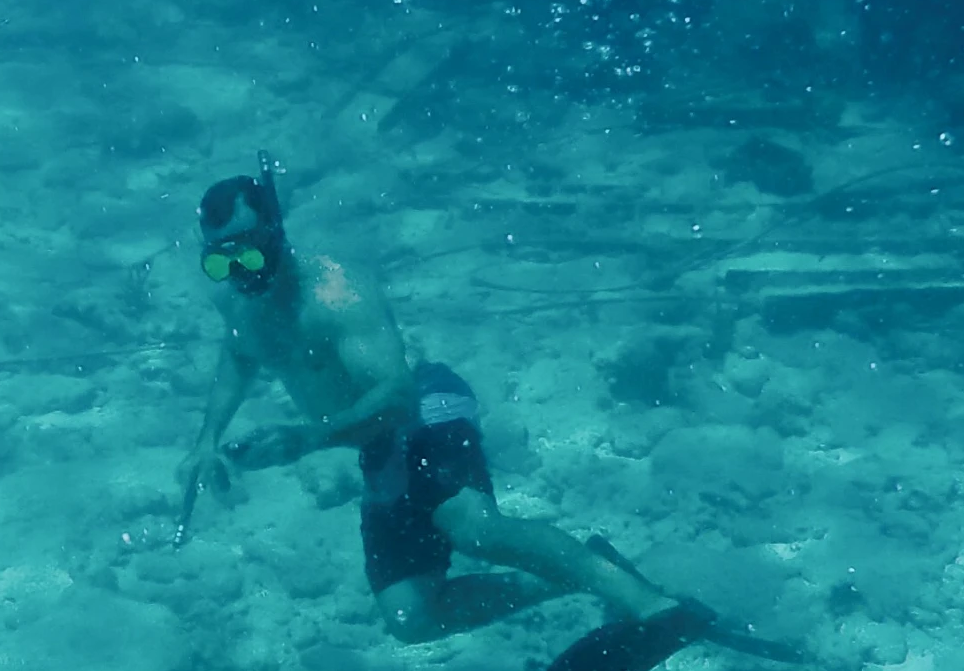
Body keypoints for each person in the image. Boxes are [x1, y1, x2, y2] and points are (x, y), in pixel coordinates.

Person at [176, 156, 680, 643]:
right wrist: (206, 440)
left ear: (277, 230)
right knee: (411, 618)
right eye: (221, 260)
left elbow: (398, 398)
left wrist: (309, 439)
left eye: (250, 251)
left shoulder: (336, 295)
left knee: (476, 530)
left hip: (426, 405)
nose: (241, 272)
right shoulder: (239, 302)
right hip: (370, 439)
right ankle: (579, 571)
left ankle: (649, 604)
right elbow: (239, 356)